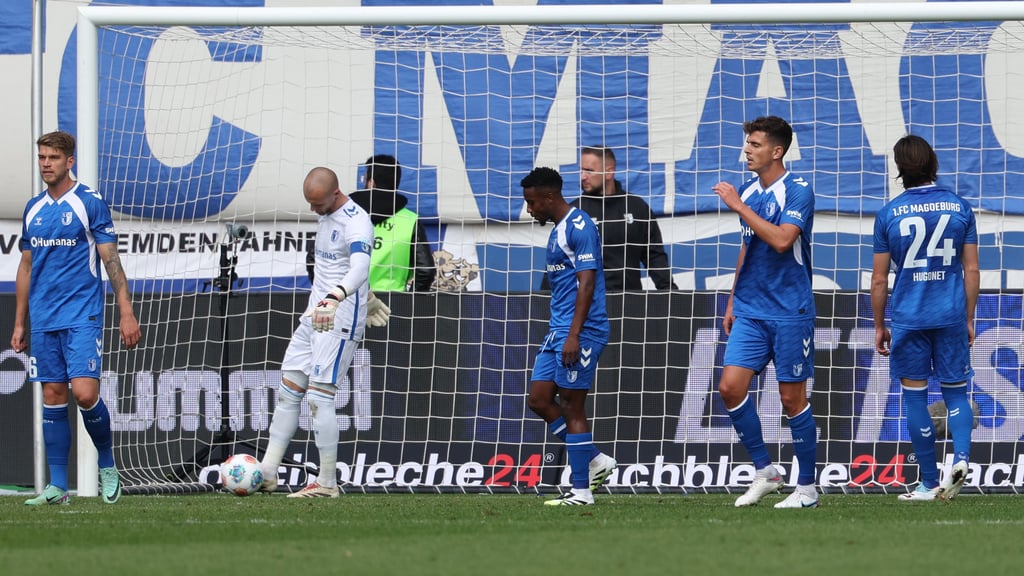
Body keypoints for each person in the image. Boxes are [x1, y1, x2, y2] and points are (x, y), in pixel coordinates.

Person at [13, 130, 142, 505]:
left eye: (53, 158)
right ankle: (57, 487)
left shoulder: (88, 202)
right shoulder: (33, 208)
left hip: (82, 314)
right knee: (52, 397)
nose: (46, 164)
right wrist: (20, 323)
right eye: (41, 158)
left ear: (70, 161)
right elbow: (26, 266)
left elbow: (110, 259)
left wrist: (126, 311)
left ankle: (106, 463)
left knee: (85, 394)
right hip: (44, 318)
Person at [259, 166, 388, 497]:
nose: (313, 210)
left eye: (317, 203)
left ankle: (327, 482)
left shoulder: (356, 221)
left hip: (339, 316)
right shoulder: (325, 215)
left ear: (335, 192)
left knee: (319, 398)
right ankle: (268, 472)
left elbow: (360, 265)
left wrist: (339, 298)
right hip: (314, 314)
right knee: (288, 391)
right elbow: (337, 266)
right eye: (310, 203)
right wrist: (368, 297)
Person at [711, 116, 819, 509]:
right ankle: (766, 472)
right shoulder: (749, 191)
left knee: (792, 401)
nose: (747, 150)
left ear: (777, 151)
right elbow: (748, 247)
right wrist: (732, 299)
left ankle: (807, 489)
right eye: (747, 143)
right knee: (730, 387)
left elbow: (780, 240)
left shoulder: (799, 191)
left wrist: (738, 205)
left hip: (791, 309)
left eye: (755, 144)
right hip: (751, 308)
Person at [872, 134, 978, 502]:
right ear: (933, 162)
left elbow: (880, 279)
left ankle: (928, 483)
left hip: (909, 317)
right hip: (948, 314)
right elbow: (972, 270)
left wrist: (879, 324)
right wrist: (968, 318)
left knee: (915, 400)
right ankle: (961, 460)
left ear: (900, 168)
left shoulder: (889, 214)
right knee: (956, 394)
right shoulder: (959, 207)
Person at [520, 166, 616, 506]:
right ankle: (594, 460)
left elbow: (587, 283)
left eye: (532, 202)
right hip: (558, 329)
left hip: (582, 330)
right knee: (539, 400)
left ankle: (581, 491)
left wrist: (574, 335)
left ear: (549, 197)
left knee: (572, 405)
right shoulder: (558, 230)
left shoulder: (580, 227)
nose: (529, 210)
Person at [576, 146, 675, 291]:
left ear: (609, 172)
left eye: (589, 171)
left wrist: (671, 292)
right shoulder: (574, 213)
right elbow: (557, 264)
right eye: (581, 170)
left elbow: (654, 257)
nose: (583, 176)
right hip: (586, 307)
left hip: (629, 305)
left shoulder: (637, 207)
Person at [348, 154, 435, 291]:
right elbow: (425, 271)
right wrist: (411, 303)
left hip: (348, 299)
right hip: (393, 303)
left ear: (371, 183)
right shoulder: (409, 220)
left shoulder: (345, 214)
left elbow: (315, 259)